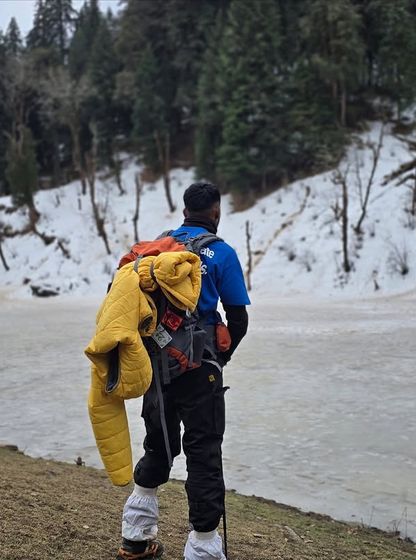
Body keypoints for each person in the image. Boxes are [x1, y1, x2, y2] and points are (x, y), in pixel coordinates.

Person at [117, 182, 250, 560]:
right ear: (216, 211)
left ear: (184, 209)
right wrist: (219, 358)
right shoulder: (221, 252)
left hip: (155, 363)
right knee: (203, 452)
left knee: (158, 442)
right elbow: (238, 319)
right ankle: (203, 550)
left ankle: (136, 537)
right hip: (198, 368)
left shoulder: (158, 248)